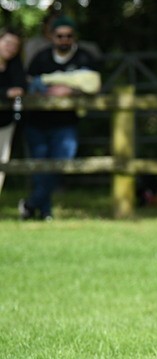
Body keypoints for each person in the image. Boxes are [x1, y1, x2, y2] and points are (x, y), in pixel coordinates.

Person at [20, 18, 101, 221]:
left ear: (74, 37)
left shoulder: (84, 57)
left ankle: (30, 204)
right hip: (36, 122)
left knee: (61, 163)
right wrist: (49, 90)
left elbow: (93, 84)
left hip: (65, 123)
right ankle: (45, 212)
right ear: (52, 37)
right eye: (60, 36)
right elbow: (30, 85)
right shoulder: (41, 57)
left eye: (68, 35)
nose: (64, 39)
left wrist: (69, 89)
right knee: (40, 168)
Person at [0, 28, 26, 197]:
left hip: (5, 122)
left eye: (15, 45)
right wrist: (5, 93)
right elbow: (12, 90)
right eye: (7, 43)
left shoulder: (15, 64)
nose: (11, 48)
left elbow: (21, 86)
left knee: (2, 163)